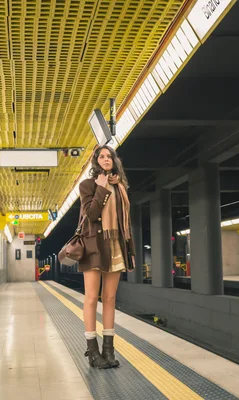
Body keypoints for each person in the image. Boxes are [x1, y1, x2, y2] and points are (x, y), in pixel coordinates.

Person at [77, 145, 135, 369]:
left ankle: (108, 351)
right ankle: (93, 352)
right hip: (94, 246)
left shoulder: (120, 187)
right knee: (92, 297)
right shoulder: (88, 185)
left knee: (110, 298)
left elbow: (124, 223)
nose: (106, 159)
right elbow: (90, 214)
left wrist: (129, 249)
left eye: (109, 156)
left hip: (116, 245)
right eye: (101, 156)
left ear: (114, 160)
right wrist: (101, 188)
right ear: (96, 161)